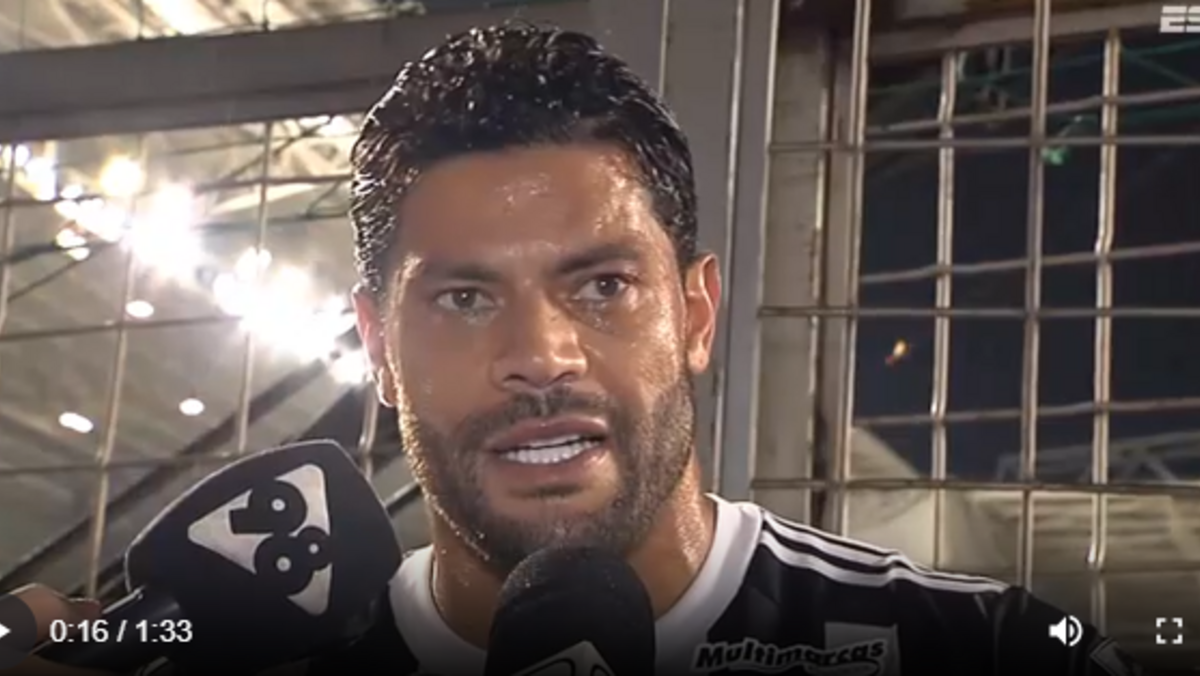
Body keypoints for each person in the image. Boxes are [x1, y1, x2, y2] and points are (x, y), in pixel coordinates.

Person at [8, 22, 1145, 676]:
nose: (540, 354)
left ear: (695, 315)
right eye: (463, 298)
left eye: (602, 285)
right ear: (380, 347)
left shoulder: (977, 648)